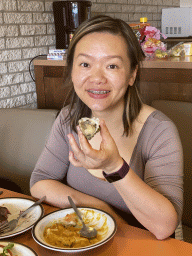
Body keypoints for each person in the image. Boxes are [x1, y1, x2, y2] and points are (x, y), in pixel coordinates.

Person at [30, 15, 183, 240]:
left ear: (132, 74)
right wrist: (103, 209)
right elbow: (40, 182)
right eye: (85, 64)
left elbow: (164, 227)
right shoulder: (69, 118)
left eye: (112, 65)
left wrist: (114, 167)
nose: (97, 78)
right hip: (89, 241)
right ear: (72, 70)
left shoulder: (159, 131)